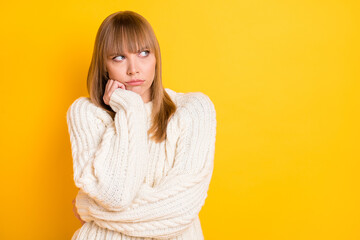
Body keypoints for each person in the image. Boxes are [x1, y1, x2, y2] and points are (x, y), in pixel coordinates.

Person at [66, 10, 217, 240]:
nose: (133, 69)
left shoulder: (193, 109)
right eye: (118, 57)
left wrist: (89, 205)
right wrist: (130, 107)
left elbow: (178, 211)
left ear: (156, 58)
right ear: (104, 65)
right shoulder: (86, 113)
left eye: (144, 53)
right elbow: (117, 195)